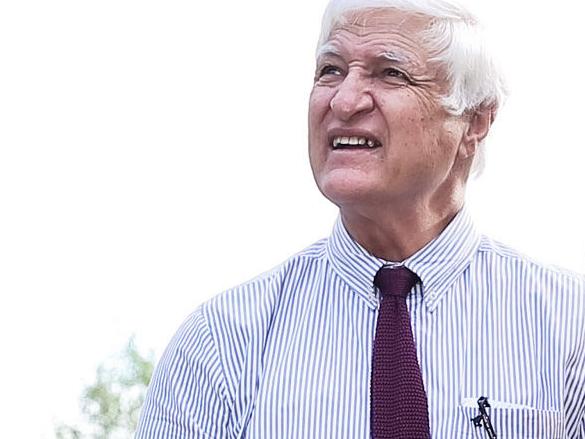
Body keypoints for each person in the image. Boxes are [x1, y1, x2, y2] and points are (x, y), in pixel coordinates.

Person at [135, 0, 585, 437]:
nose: (344, 101)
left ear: (476, 120)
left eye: (391, 73)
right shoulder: (220, 345)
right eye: (330, 70)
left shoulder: (569, 326)